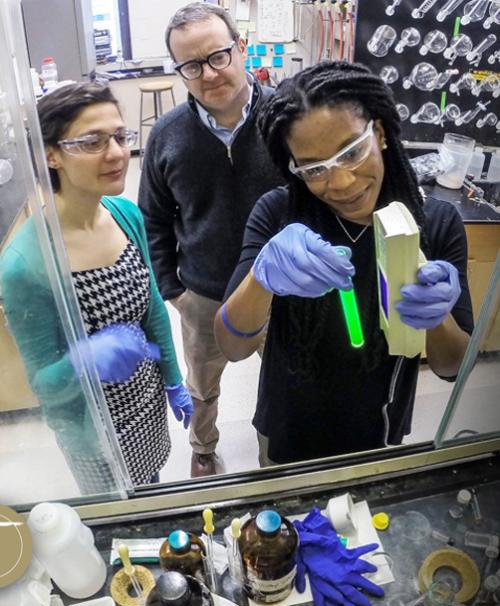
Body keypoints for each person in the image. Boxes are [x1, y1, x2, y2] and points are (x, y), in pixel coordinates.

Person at [214, 61, 473, 466]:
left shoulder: (435, 224)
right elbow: (231, 346)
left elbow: (453, 367)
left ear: (381, 133)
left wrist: (436, 318)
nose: (341, 184)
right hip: (285, 429)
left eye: (352, 152)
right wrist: (261, 278)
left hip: (378, 432)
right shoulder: (277, 213)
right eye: (314, 169)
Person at [0, 82, 192, 492]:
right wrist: (81, 361)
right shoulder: (26, 264)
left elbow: (153, 306)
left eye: (120, 137)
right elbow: (41, 384)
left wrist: (173, 377)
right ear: (50, 155)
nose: (117, 153)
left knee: (152, 490)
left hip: (146, 404)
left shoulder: (124, 215)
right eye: (92, 141)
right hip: (91, 432)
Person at [138, 2, 283, 477]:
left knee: (283, 380)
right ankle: (203, 449)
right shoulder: (166, 136)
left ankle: (273, 451)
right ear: (180, 70)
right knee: (202, 387)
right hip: (201, 294)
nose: (209, 73)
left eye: (218, 56)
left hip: (279, 292)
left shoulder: (286, 119)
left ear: (240, 48)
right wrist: (171, 289)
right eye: (192, 65)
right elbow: (153, 219)